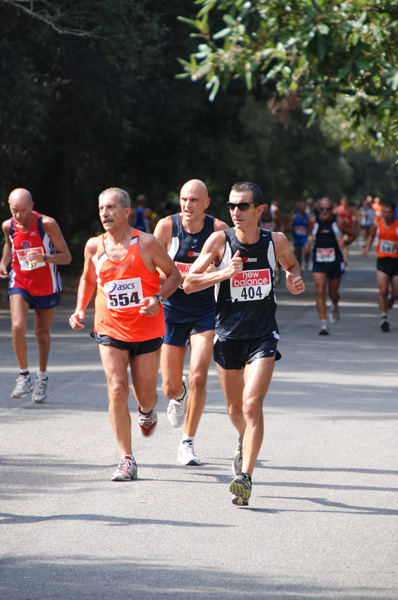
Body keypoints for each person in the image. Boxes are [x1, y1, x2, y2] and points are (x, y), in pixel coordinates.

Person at [183, 182, 305, 506]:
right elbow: (189, 282)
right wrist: (222, 274)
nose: (236, 212)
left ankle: (245, 477)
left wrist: (294, 278)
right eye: (232, 206)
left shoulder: (275, 242)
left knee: (251, 405)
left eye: (243, 206)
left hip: (263, 335)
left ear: (259, 210)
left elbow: (292, 265)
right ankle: (244, 439)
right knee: (236, 411)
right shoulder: (219, 242)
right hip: (227, 337)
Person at [69, 187, 180, 481]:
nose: (105, 213)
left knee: (145, 395)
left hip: (146, 329)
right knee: (117, 389)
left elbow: (174, 276)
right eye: (101, 208)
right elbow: (87, 278)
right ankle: (126, 459)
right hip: (109, 327)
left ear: (127, 211)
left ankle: (147, 411)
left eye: (111, 208)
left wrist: (156, 298)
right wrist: (80, 309)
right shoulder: (94, 246)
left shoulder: (147, 243)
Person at [153, 179, 228, 466]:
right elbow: (150, 268)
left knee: (199, 375)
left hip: (206, 311)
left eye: (194, 200)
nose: (187, 205)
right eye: (184, 199)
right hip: (172, 310)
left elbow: (229, 271)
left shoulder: (219, 231)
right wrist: (181, 279)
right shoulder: (166, 227)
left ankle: (187, 442)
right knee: (170, 387)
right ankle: (179, 394)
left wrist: (210, 275)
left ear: (206, 203)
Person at [0, 188, 71, 402]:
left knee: (41, 333)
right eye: (14, 211)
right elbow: (9, 245)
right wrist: (4, 262)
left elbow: (66, 257)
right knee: (18, 326)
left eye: (23, 210)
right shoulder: (8, 225)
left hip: (46, 284)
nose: (19, 216)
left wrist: (44, 257)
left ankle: (42, 376)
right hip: (21, 281)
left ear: (32, 205)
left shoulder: (47, 224)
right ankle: (24, 375)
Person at [309, 196, 354, 335]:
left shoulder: (339, 221)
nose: (325, 212)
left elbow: (353, 234)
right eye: (322, 209)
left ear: (332, 209)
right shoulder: (313, 221)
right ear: (318, 208)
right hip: (319, 260)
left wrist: (345, 242)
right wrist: (309, 241)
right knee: (320, 290)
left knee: (333, 293)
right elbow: (310, 235)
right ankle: (323, 324)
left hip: (335, 262)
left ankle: (335, 304)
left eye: (328, 209)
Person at [362, 200, 398, 332]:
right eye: (383, 212)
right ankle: (383, 317)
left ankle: (392, 298)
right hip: (382, 261)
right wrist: (367, 248)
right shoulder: (378, 224)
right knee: (383, 290)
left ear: (393, 213)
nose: (386, 215)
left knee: (397, 294)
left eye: (388, 212)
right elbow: (372, 236)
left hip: (397, 262)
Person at [288, 200, 310, 271]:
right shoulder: (294, 216)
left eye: (304, 207)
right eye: (301, 207)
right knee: (299, 254)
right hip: (297, 238)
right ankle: (299, 267)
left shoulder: (307, 217)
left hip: (304, 237)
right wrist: (294, 229)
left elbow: (310, 227)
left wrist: (309, 233)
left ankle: (306, 263)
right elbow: (289, 227)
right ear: (299, 208)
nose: (303, 209)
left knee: (307, 250)